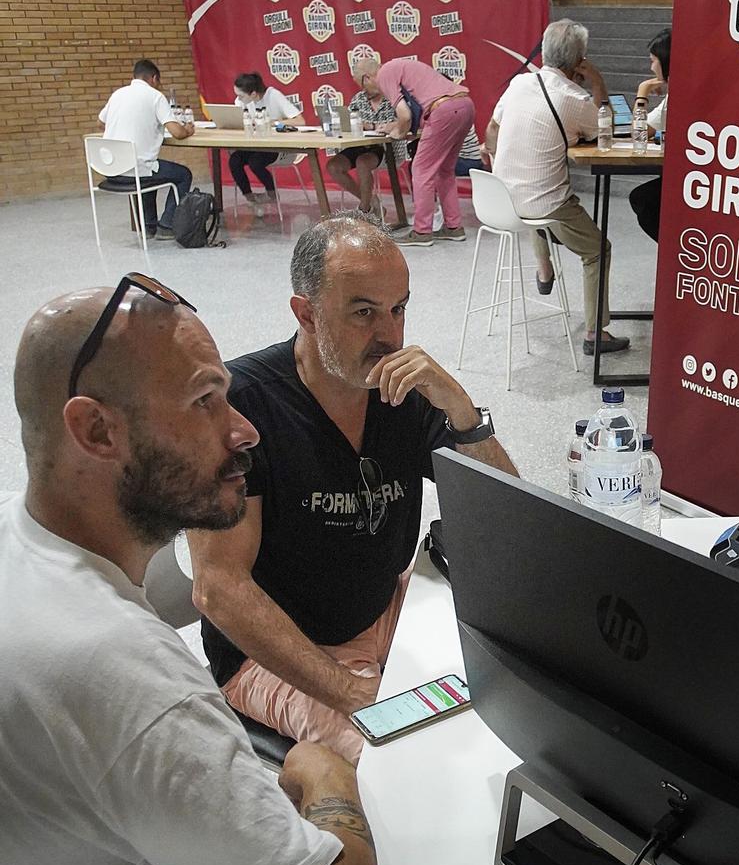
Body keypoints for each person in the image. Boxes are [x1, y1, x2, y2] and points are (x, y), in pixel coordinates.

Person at [1, 277, 379, 865]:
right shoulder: (126, 676)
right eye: (207, 402)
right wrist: (322, 776)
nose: (242, 430)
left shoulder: (28, 557)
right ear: (96, 431)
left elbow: (187, 584)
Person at [190, 215, 517, 763]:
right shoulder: (242, 408)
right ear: (306, 314)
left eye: (399, 309)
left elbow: (509, 515)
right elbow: (218, 588)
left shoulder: (402, 392)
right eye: (364, 312)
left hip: (382, 608)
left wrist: (461, 411)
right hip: (277, 655)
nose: (389, 335)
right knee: (403, 765)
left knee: (514, 693)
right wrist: (349, 691)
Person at [484, 19, 628, 358]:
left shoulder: (519, 82)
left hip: (499, 200)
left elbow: (492, 129)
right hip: (542, 206)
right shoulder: (574, 97)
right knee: (598, 249)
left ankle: (544, 267)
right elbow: (604, 128)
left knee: (534, 187)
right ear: (579, 60)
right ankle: (596, 332)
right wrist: (597, 82)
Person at [360, 57, 473, 246]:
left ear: (366, 78)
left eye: (363, 88)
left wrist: (397, 133)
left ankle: (422, 231)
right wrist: (396, 126)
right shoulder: (402, 67)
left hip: (443, 110)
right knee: (445, 171)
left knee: (421, 170)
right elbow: (415, 114)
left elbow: (405, 115)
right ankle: (454, 227)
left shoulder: (384, 73)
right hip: (465, 106)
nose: (366, 93)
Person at [97, 58, 194, 238]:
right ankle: (166, 224)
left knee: (151, 171)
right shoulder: (155, 96)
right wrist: (187, 129)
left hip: (110, 169)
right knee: (182, 174)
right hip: (135, 169)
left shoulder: (118, 94)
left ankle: (148, 227)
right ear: (154, 78)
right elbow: (177, 133)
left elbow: (100, 122)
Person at [324, 68, 413, 220]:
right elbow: (350, 122)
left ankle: (364, 210)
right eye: (361, 86)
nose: (364, 90)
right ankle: (371, 202)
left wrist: (371, 125)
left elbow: (404, 121)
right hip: (359, 144)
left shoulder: (394, 97)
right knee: (333, 166)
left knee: (362, 162)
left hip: (385, 148)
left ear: (374, 79)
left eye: (366, 86)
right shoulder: (358, 98)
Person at [229, 69, 300, 206]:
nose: (238, 99)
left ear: (253, 94)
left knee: (255, 162)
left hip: (277, 147)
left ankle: (272, 193)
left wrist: (274, 123)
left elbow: (299, 120)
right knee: (235, 160)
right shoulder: (241, 102)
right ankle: (249, 197)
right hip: (254, 145)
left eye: (241, 96)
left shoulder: (273, 95)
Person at [628, 27, 671, 243]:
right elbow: (643, 132)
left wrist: (642, 93)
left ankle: (672, 249)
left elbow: (639, 136)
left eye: (653, 60)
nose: (651, 67)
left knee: (643, 200)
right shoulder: (671, 95)